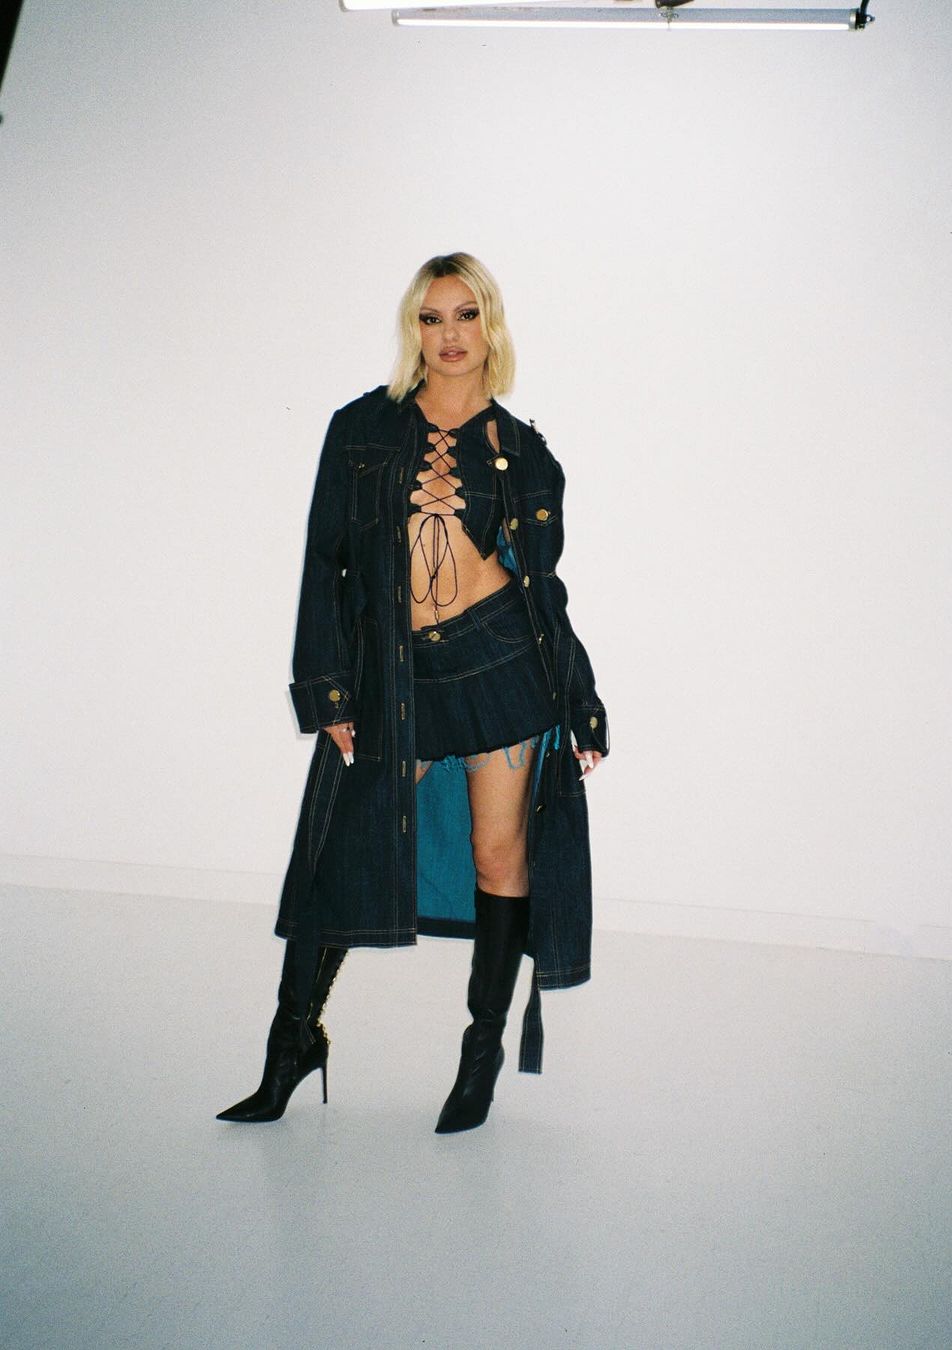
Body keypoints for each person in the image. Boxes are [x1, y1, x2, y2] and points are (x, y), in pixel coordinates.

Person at [217, 252, 609, 1133]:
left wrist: (580, 699)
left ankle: (480, 1057)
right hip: (397, 674)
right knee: (342, 853)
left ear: (490, 326)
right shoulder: (361, 430)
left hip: (503, 666)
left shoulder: (525, 450)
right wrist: (329, 692)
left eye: (466, 315)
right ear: (414, 329)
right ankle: (293, 1043)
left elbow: (544, 589)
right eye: (432, 318)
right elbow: (325, 564)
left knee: (498, 857)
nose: (450, 335)